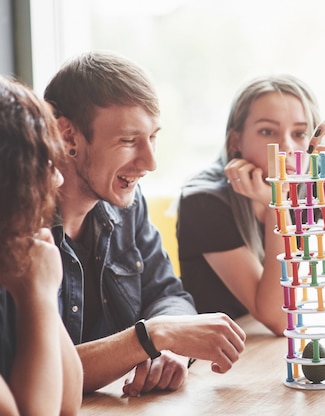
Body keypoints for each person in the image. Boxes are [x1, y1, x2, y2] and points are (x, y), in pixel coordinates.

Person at [43, 51, 246, 396]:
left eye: (153, 137)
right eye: (128, 140)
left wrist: (168, 351)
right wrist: (153, 336)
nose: (150, 162)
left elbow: (168, 294)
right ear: (68, 136)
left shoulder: (128, 206)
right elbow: (39, 376)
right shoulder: (18, 229)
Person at [177, 74, 325, 335]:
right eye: (267, 131)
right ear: (235, 141)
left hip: (264, 347)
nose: (286, 146)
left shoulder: (309, 176)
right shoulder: (204, 201)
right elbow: (279, 318)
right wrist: (278, 204)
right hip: (215, 355)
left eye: (300, 133)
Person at [0, 76, 82, 415]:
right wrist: (39, 295)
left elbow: (68, 402)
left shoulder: (14, 260)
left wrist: (41, 292)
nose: (58, 179)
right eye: (46, 166)